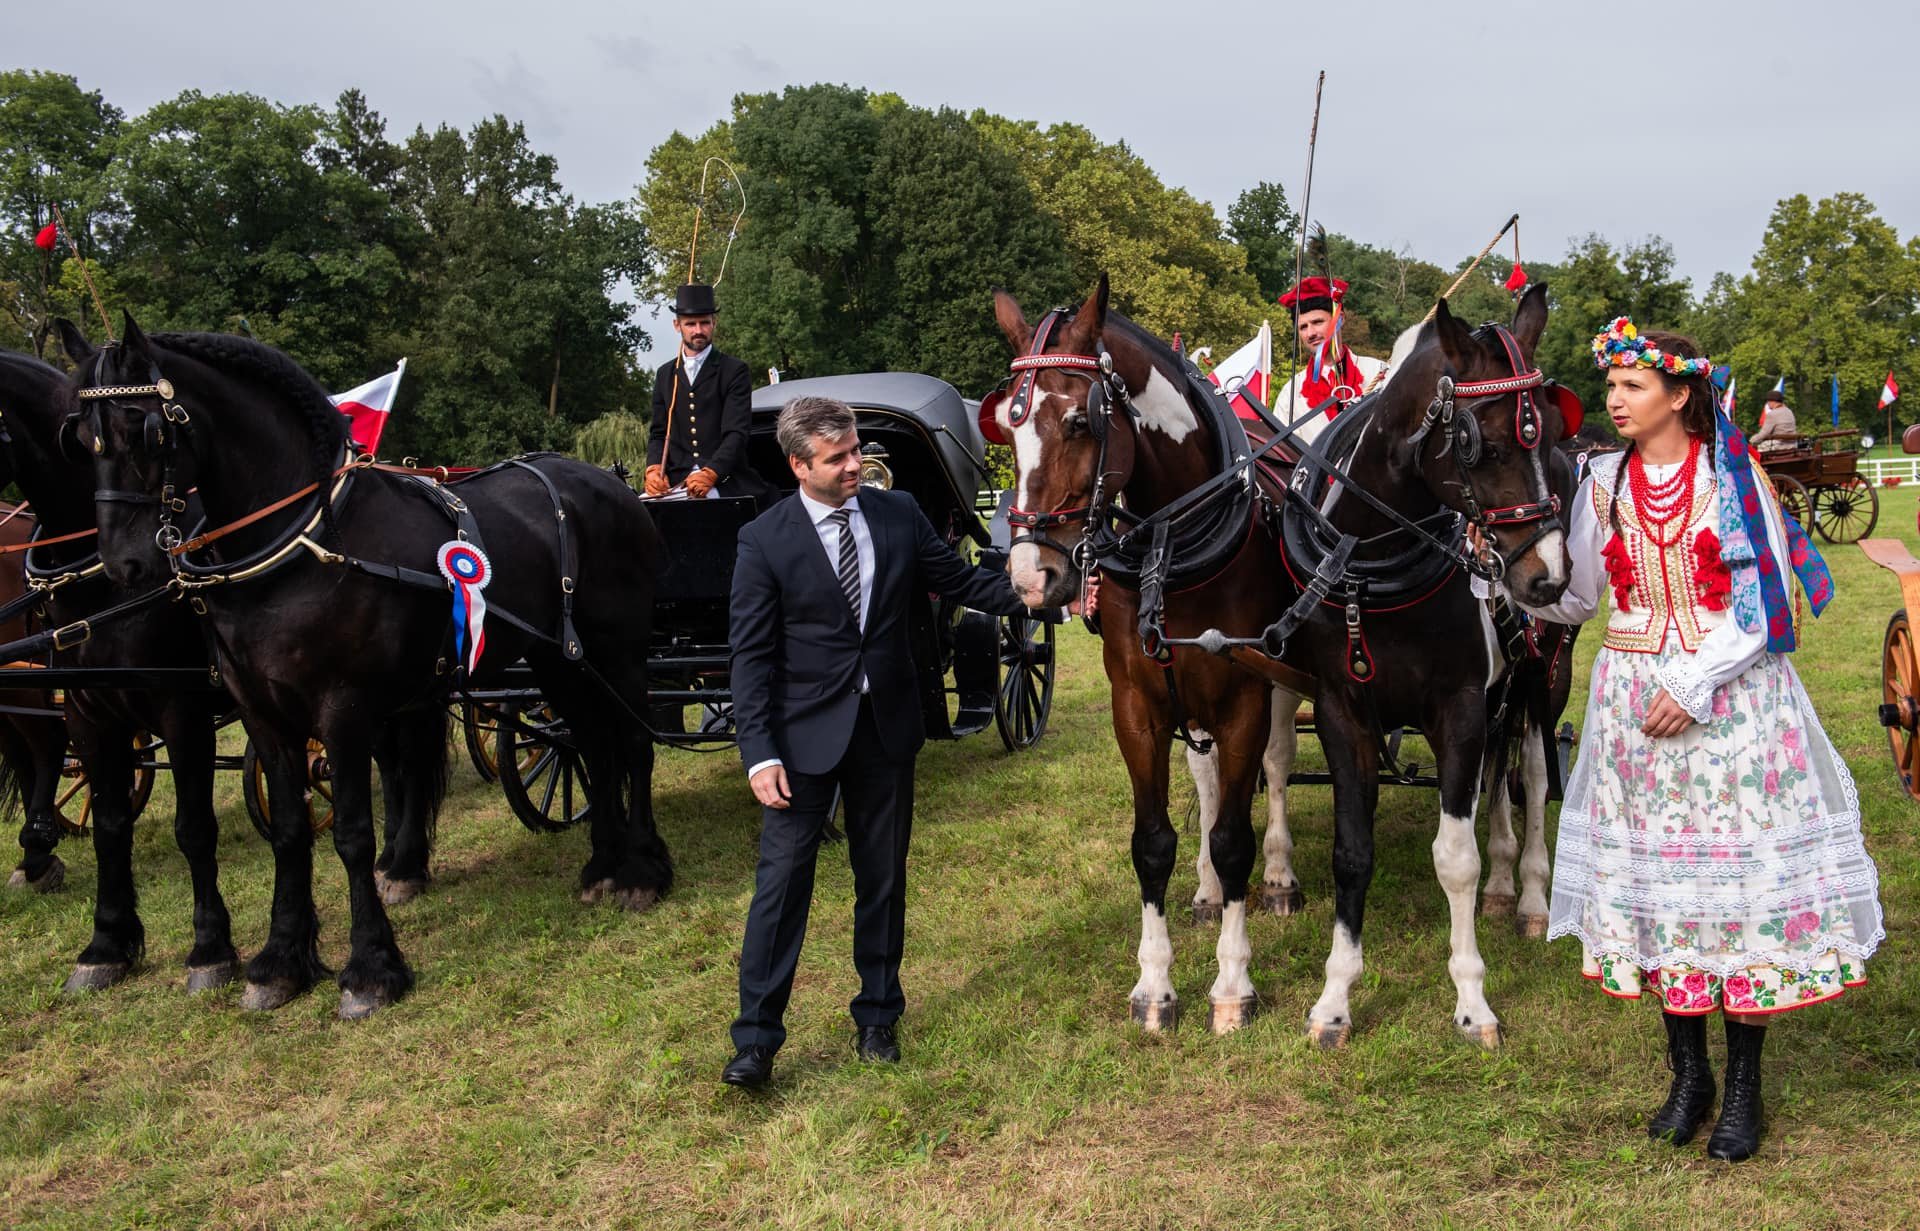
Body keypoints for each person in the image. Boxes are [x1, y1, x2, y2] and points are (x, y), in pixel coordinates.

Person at [1520, 318, 1882, 1162]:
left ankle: (1744, 1085)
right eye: (1610, 386)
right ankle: (1687, 1073)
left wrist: (1694, 681)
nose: (1614, 399)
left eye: (1632, 386)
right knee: (1662, 888)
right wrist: (1507, 582)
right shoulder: (1599, 479)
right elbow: (1578, 596)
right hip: (1632, 708)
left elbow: (1769, 600)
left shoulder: (1730, 473)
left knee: (1742, 891)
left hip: (1732, 704)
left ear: (1680, 394)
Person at [721, 395, 1044, 1089]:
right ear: (798, 464)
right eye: (836, 458)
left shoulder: (896, 515)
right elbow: (749, 657)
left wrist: (1038, 596)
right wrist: (760, 752)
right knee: (780, 886)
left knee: (883, 880)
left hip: (887, 728)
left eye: (856, 450)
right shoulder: (765, 539)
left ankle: (877, 1018)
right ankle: (755, 1041)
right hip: (798, 742)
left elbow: (958, 580)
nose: (853, 467)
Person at [645, 283, 768, 501]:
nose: (698, 330)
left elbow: (736, 433)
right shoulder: (665, 374)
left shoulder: (734, 370)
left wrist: (711, 473)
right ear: (677, 325)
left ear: (714, 323)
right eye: (690, 324)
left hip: (726, 478)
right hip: (676, 479)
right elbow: (658, 433)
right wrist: (654, 469)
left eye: (704, 323)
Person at [1274, 275, 1389, 443]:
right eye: (1303, 327)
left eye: (1317, 322)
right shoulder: (1290, 394)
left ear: (1340, 318)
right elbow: (1282, 457)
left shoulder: (1378, 372)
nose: (1310, 333)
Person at [1750, 388, 1798, 453]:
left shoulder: (1772, 414)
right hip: (1793, 444)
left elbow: (1764, 434)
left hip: (1778, 445)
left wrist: (1751, 440)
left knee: (1756, 450)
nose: (1767, 403)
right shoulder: (1789, 411)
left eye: (1768, 401)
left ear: (1772, 401)